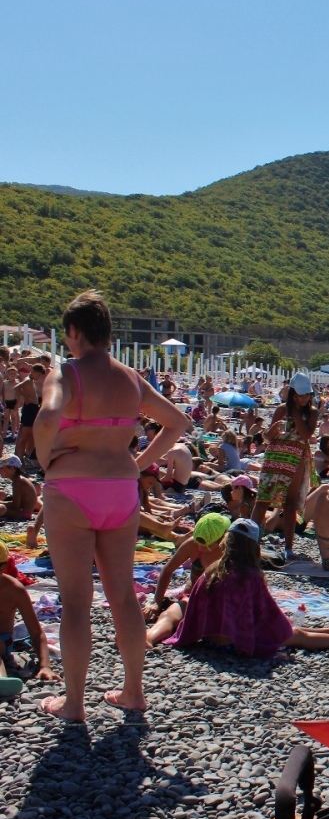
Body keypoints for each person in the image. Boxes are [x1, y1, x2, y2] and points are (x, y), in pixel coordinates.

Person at [33, 289, 190, 721]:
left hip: (72, 489)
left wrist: (48, 460)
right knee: (123, 596)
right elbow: (179, 422)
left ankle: (75, 703)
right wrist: (138, 462)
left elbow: (47, 417)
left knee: (77, 601)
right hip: (121, 488)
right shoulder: (130, 378)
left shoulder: (65, 373)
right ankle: (133, 691)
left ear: (74, 332)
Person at [152, 519, 329, 654]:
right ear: (255, 548)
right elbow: (269, 616)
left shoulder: (212, 570)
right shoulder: (250, 576)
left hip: (209, 638)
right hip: (235, 643)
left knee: (290, 631)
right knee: (296, 636)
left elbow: (197, 607)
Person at [252, 373, 318, 553]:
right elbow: (266, 437)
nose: (304, 398)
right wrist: (271, 430)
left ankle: (289, 547)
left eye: (306, 395)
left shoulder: (312, 412)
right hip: (275, 456)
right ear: (293, 394)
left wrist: (295, 412)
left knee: (290, 503)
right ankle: (250, 543)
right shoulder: (281, 409)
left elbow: (306, 435)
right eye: (301, 395)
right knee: (263, 499)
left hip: (296, 458)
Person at [0, 541, 59, 685]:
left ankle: (2, 680)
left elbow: (36, 632)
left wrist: (45, 665)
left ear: (4, 566)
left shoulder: (14, 590)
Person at [0, 456, 41, 520]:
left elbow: (15, 505)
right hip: (23, 511)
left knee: (2, 508)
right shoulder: (19, 479)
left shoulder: (17, 481)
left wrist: (1, 502)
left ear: (11, 468)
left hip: (23, 513)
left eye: (1, 468)